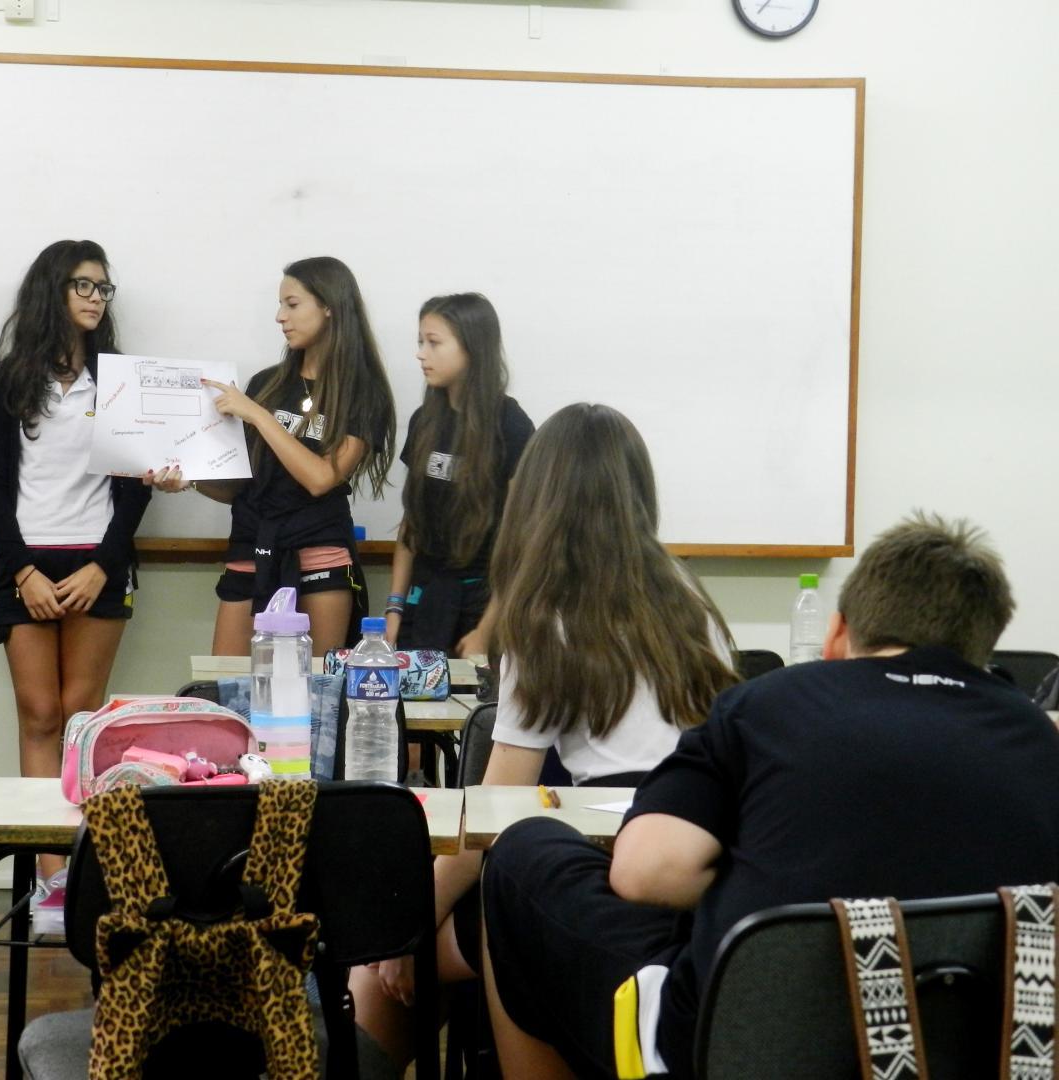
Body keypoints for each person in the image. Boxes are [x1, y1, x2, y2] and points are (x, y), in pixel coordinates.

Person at [481, 512, 1059, 1080]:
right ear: (984, 647)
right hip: (979, 1052)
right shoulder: (1039, 737)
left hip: (734, 1045)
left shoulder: (766, 706)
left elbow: (645, 872)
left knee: (519, 856)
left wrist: (766, 871)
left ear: (835, 635)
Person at [352, 403, 737, 1067]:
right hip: (700, 878)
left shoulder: (546, 609)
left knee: (380, 970)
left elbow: (496, 817)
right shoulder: (690, 599)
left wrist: (404, 930)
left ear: (537, 497)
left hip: (597, 886)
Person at [0, 239, 152, 931]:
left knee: (82, 717)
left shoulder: (119, 380)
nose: (94, 297)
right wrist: (22, 570)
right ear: (52, 290)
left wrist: (103, 565)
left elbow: (138, 489)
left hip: (97, 564)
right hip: (26, 563)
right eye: (82, 285)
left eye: (103, 288)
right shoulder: (9, 380)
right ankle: (49, 882)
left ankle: (83, 877)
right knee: (40, 713)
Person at [153, 256, 395, 655]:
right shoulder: (267, 383)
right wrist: (190, 480)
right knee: (228, 687)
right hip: (252, 545)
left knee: (316, 694)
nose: (281, 317)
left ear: (329, 306)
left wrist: (258, 415)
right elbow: (239, 486)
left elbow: (321, 478)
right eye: (280, 305)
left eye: (292, 304)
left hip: (320, 553)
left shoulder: (363, 392)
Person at [385, 292, 534, 659]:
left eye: (434, 343)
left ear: (473, 347)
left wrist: (486, 630)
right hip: (425, 599)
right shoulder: (425, 421)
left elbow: (520, 539)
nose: (422, 353)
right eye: (421, 342)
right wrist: (394, 609)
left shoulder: (511, 425)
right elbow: (411, 524)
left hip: (484, 603)